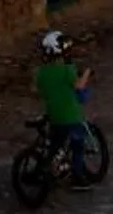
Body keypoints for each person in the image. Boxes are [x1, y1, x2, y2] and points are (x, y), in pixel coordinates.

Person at [35, 29, 93, 177]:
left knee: (55, 143)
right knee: (78, 146)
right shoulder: (67, 70)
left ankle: (47, 166)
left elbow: (41, 90)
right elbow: (78, 85)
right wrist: (87, 73)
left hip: (54, 115)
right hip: (70, 116)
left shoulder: (42, 73)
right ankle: (78, 176)